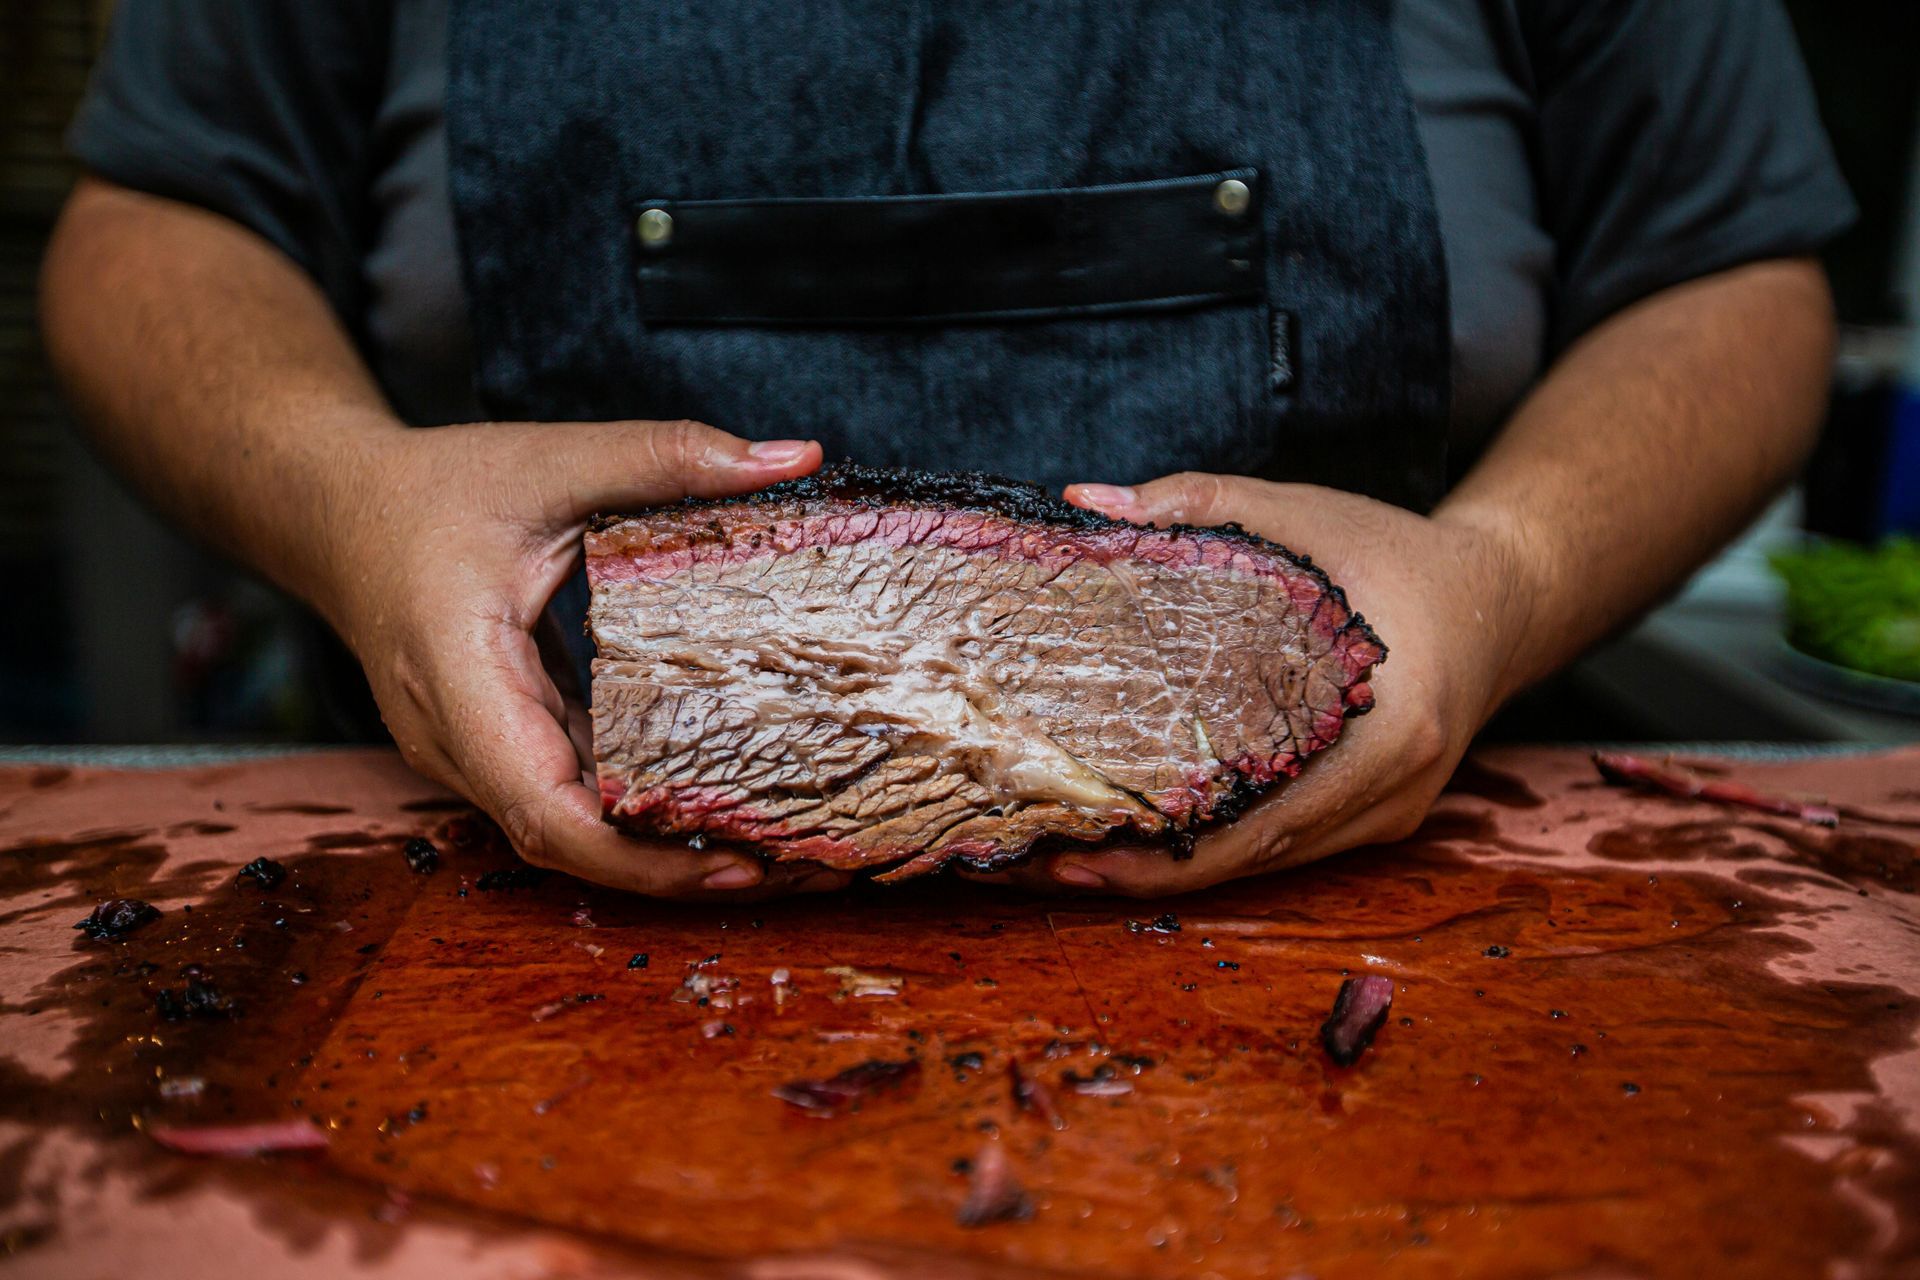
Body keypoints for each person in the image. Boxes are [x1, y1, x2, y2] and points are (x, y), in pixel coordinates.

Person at [41, 0, 1853, 899]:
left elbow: (1729, 277)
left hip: (1401, 885)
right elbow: (157, 228)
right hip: (509, 897)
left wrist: (1510, 577)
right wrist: (351, 500)